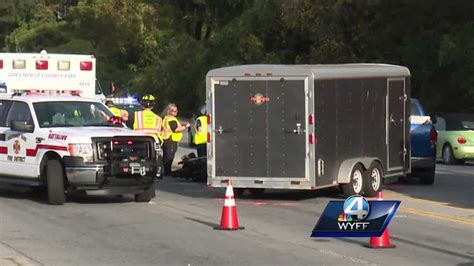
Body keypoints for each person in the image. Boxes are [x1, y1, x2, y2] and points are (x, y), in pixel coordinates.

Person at [161, 103, 190, 176]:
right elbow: (175, 129)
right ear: (169, 111)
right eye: (173, 111)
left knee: (166, 156)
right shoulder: (171, 119)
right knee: (169, 157)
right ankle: (167, 172)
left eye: (176, 111)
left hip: (167, 139)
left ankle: (165, 171)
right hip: (171, 140)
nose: (176, 112)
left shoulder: (166, 118)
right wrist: (185, 126)